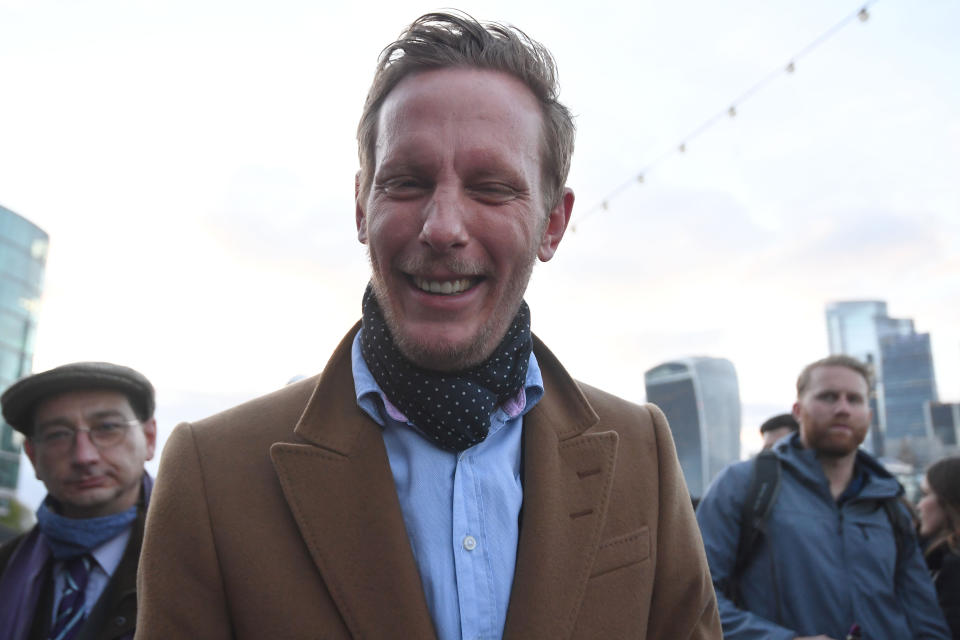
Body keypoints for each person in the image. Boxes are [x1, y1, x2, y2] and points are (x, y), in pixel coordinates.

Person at [136, 11, 721, 640]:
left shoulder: (643, 452)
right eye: (407, 182)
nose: (442, 227)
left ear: (554, 222)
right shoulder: (212, 473)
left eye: (492, 188)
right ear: (362, 208)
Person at [696, 354, 950, 640]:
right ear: (798, 410)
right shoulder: (743, 484)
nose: (842, 408)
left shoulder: (890, 503)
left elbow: (924, 616)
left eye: (854, 399)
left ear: (868, 414)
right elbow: (697, 596)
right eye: (828, 397)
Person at [0, 362, 157, 640]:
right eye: (58, 434)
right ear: (33, 456)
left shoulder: (199, 560)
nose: (84, 456)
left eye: (107, 427)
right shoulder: (5, 567)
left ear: (149, 438)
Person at [918, 456, 960, 638]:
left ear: (949, 500)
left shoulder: (954, 566)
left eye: (926, 494)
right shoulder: (940, 556)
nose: (919, 505)